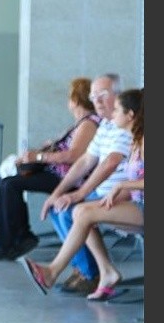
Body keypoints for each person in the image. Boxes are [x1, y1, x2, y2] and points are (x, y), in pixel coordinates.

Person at [23, 88, 143, 300]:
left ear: (131, 115)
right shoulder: (135, 140)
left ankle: (53, 272)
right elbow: (87, 161)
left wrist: (123, 186)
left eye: (117, 109)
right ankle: (106, 271)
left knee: (84, 212)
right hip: (136, 204)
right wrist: (119, 191)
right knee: (79, 211)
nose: (112, 113)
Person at [0, 77, 100, 261]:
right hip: (59, 174)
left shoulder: (88, 123)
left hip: (68, 178)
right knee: (8, 183)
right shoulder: (81, 122)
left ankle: (13, 240)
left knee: (11, 185)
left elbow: (74, 155)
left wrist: (39, 157)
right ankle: (17, 236)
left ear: (75, 100)